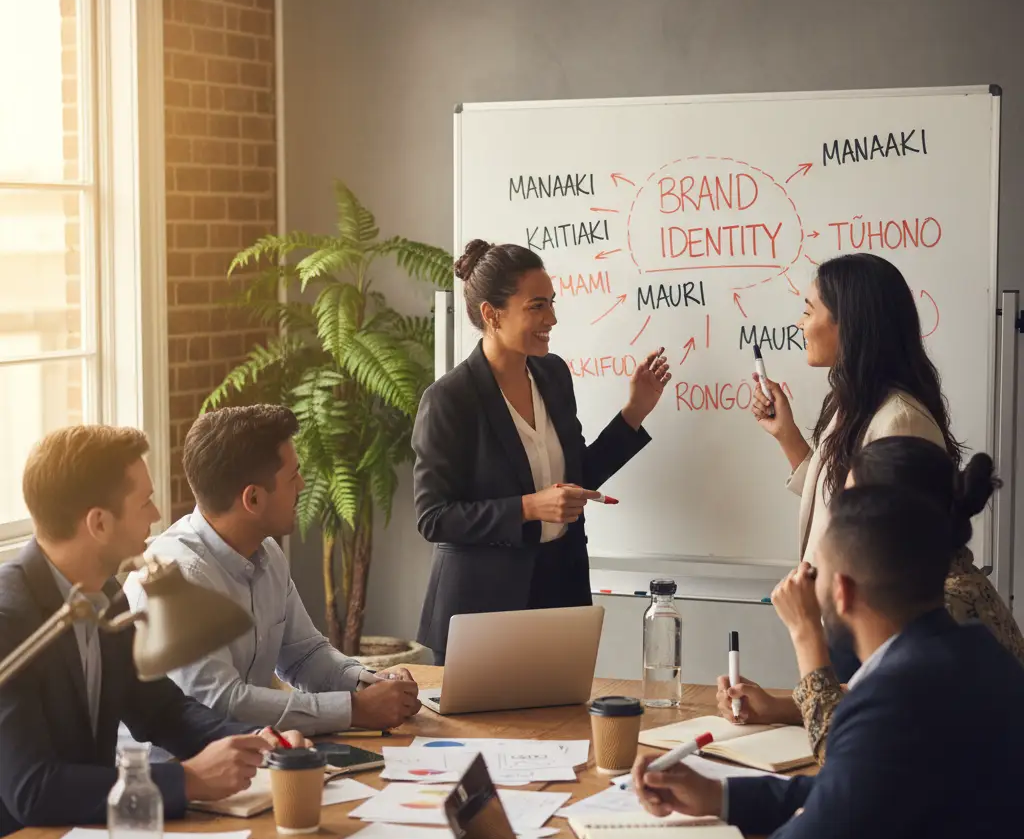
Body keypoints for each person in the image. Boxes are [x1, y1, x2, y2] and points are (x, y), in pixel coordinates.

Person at [634, 486, 1024, 839]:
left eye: (813, 573)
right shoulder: (979, 656)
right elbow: (852, 791)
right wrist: (720, 796)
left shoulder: (893, 697)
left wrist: (801, 821)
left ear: (841, 592)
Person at [0, 427, 306, 838]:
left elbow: (161, 710)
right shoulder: (9, 618)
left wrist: (257, 742)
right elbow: (33, 789)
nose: (156, 514)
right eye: (144, 501)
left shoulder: (105, 593)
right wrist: (189, 779)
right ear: (99, 523)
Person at [412, 240, 671, 664]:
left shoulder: (553, 375)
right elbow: (433, 517)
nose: (551, 318)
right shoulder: (449, 399)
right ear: (491, 315)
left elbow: (574, 480)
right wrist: (529, 508)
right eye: (536, 307)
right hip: (481, 609)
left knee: (565, 727)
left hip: (559, 592)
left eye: (551, 304)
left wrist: (633, 413)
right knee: (486, 732)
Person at [717, 437, 1024, 763]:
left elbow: (845, 756)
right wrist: (777, 707)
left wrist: (806, 633)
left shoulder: (939, 609)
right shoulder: (946, 586)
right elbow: (876, 701)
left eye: (850, 507)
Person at [126, 405, 420, 734]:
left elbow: (305, 656)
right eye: (293, 476)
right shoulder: (179, 578)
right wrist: (354, 710)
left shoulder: (266, 551)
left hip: (252, 755)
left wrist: (370, 683)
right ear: (252, 499)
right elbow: (221, 704)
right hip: (179, 772)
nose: (303, 485)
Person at [752, 254, 960, 678]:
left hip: (874, 634)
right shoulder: (851, 406)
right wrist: (786, 436)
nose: (800, 324)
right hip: (842, 623)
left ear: (848, 323)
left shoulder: (900, 421)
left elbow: (894, 550)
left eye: (809, 311)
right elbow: (838, 499)